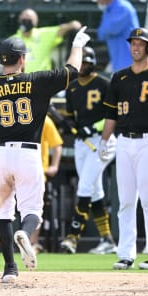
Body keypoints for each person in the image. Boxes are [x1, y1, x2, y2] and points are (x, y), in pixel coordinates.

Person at [0, 28, 90, 283]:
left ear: (2, 60)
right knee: (32, 210)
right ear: (21, 59)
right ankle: (26, 233)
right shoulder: (36, 80)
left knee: (3, 213)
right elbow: (72, 71)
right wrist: (77, 44)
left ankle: (10, 269)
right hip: (27, 154)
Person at [98, 27, 148, 270]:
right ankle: (126, 253)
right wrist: (104, 141)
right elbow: (111, 114)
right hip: (124, 141)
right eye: (133, 43)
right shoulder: (119, 77)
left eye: (140, 43)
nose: (135, 47)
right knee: (125, 200)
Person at [59, 46, 118, 254]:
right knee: (94, 191)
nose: (82, 66)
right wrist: (67, 124)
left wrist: (94, 127)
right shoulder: (72, 87)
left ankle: (72, 238)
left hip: (103, 140)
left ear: (92, 63)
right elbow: (70, 117)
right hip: (81, 143)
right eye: (80, 62)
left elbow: (114, 114)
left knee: (84, 186)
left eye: (85, 62)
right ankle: (107, 239)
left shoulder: (103, 83)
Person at [30, 116, 63, 254]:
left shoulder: (45, 119)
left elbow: (57, 144)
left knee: (34, 209)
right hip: (17, 171)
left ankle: (32, 243)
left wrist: (54, 166)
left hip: (38, 171)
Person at [13, 8, 82, 73]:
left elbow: (67, 27)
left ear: (35, 22)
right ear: (19, 20)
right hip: (21, 82)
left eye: (29, 20)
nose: (26, 22)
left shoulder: (44, 34)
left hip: (42, 80)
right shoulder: (12, 40)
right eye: (24, 19)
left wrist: (74, 25)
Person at [96, 0, 140, 72]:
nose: (97, 2)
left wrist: (103, 31)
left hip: (129, 62)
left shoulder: (123, 7)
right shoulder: (109, 9)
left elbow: (106, 31)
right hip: (118, 62)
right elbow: (101, 34)